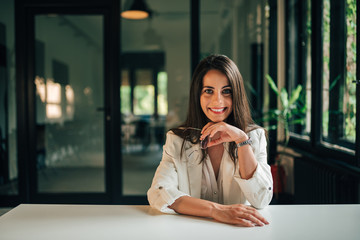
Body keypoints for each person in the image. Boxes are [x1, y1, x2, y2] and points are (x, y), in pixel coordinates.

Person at [147, 54, 273, 227]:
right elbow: (159, 193)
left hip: (240, 232)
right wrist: (216, 211)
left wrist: (241, 141)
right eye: (208, 91)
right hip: (190, 231)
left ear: (236, 94)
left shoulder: (254, 137)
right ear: (197, 95)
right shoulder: (177, 140)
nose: (218, 101)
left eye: (226, 91)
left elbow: (262, 198)